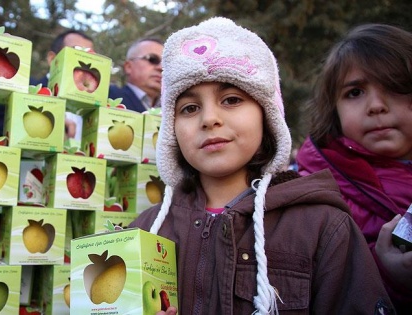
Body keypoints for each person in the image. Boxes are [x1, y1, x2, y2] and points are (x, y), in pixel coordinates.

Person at [129, 17, 393, 314]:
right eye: (189, 108)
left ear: (267, 117)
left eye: (231, 99)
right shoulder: (147, 229)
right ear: (171, 130)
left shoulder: (322, 226)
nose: (209, 119)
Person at [295, 23, 412, 313]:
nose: (375, 106)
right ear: (333, 108)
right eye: (355, 92)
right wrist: (386, 274)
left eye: (395, 86)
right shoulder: (316, 190)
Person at [0, 29, 94, 138]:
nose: (85, 61)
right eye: (76, 52)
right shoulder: (19, 89)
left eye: (90, 56)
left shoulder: (98, 106)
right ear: (53, 59)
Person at [108, 38, 163, 113]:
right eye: (152, 59)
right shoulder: (107, 96)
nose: (161, 67)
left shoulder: (174, 109)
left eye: (166, 63)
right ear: (128, 67)